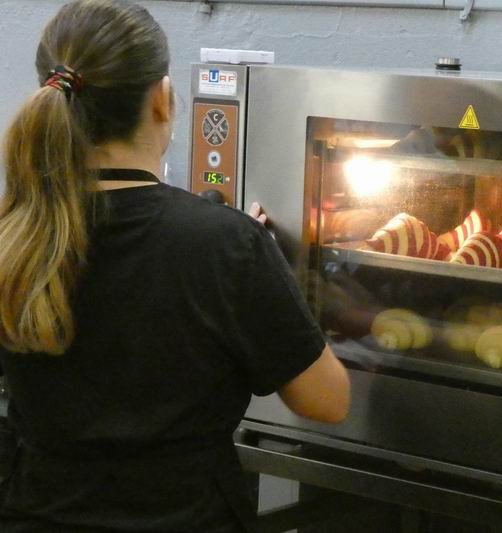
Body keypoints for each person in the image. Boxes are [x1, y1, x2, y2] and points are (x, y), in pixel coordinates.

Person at [0, 1, 350, 531]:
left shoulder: (12, 235)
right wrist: (262, 267)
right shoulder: (225, 245)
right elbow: (327, 401)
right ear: (164, 99)